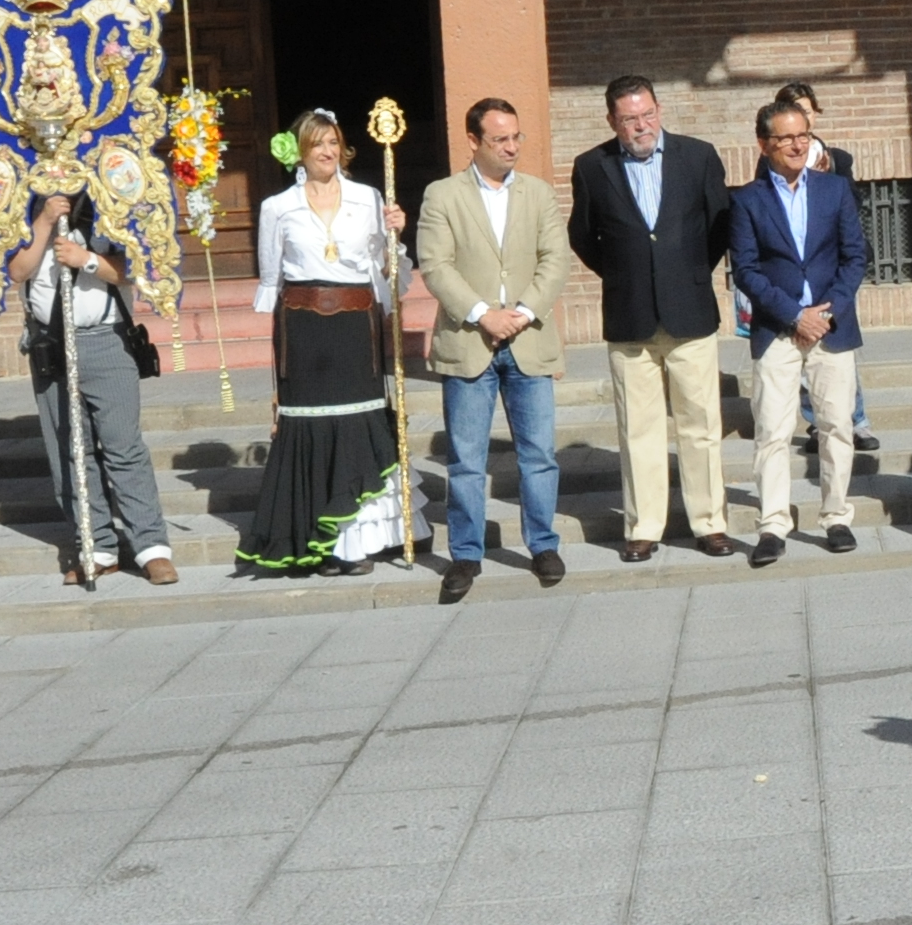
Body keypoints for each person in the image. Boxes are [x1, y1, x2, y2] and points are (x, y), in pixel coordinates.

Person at [569, 74, 737, 564]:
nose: (641, 126)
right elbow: (583, 236)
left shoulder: (698, 156)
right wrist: (628, 275)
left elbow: (719, 224)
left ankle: (710, 523)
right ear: (612, 121)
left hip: (690, 312)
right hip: (630, 316)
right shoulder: (591, 167)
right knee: (638, 429)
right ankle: (643, 526)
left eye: (647, 114)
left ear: (659, 110)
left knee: (700, 425)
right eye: (629, 119)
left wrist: (685, 273)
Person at [239, 109, 412, 576]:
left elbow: (387, 268)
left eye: (333, 142)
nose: (327, 151)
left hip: (355, 325)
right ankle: (313, 540)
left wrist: (395, 235)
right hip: (304, 328)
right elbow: (272, 280)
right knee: (310, 427)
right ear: (300, 151)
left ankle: (352, 544)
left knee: (355, 424)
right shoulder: (277, 207)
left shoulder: (367, 197)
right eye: (317, 143)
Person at [417, 97, 571, 603]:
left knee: (539, 454)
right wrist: (483, 313)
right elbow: (435, 265)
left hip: (529, 338)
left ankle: (542, 544)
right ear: (473, 141)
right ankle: (465, 554)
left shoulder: (539, 193)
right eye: (500, 139)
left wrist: (522, 312)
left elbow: (555, 259)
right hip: (469, 341)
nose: (511, 147)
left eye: (516, 137)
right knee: (466, 459)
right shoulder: (443, 195)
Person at [11, 190, 174, 586]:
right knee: (70, 451)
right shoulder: (24, 205)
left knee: (124, 447)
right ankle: (96, 545)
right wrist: (44, 220)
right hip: (51, 342)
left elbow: (134, 269)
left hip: (107, 339)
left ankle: (151, 547)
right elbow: (17, 270)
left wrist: (85, 259)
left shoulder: (111, 196)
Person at [731, 100, 869, 566]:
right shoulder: (747, 200)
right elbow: (746, 271)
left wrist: (827, 312)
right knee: (772, 429)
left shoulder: (834, 189)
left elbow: (855, 257)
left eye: (803, 135)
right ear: (764, 144)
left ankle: (836, 517)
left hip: (832, 326)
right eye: (786, 137)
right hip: (778, 329)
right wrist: (795, 315)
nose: (797, 145)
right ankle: (773, 525)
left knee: (837, 426)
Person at [754, 80, 880, 454]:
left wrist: (828, 176)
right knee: (800, 347)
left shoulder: (837, 158)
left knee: (837, 346)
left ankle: (857, 420)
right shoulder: (769, 161)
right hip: (792, 279)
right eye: (796, 111)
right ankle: (814, 421)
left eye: (808, 112)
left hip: (831, 273)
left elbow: (852, 205)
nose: (803, 121)